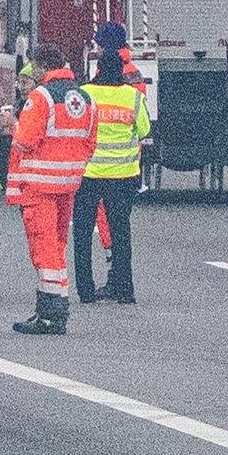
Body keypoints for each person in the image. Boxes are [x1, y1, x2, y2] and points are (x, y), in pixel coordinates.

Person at [5, 45, 96, 335]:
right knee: (57, 246)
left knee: (44, 250)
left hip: (40, 186)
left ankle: (51, 313)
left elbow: (25, 142)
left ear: (43, 67)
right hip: (69, 184)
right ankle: (54, 309)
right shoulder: (85, 98)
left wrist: (13, 126)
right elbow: (90, 143)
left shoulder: (41, 97)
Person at [74, 49, 150, 305]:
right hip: (123, 176)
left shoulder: (85, 94)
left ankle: (85, 292)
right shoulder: (133, 97)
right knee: (121, 233)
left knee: (83, 234)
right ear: (121, 71)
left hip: (88, 175)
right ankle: (124, 290)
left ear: (97, 70)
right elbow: (145, 129)